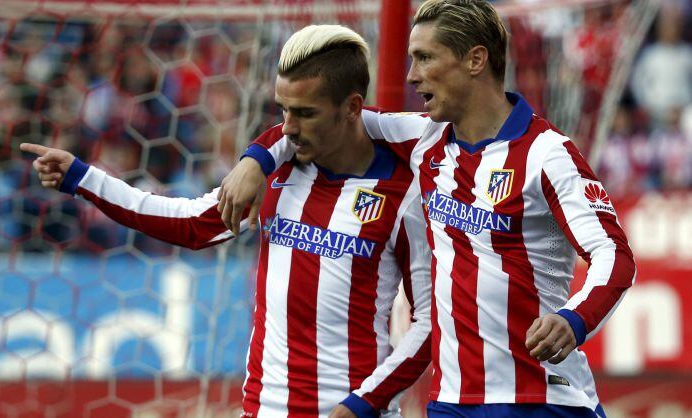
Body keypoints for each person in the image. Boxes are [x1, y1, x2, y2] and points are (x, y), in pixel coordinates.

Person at [217, 1, 636, 417]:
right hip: (451, 402)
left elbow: (614, 256)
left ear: (475, 59)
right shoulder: (424, 139)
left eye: (425, 58)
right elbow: (321, 118)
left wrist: (574, 319)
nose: (411, 76)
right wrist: (256, 159)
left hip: (540, 398)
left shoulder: (548, 154)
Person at [21, 25, 432, 418]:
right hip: (264, 408)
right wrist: (83, 178)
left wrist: (365, 402)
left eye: (306, 113)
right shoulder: (277, 172)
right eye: (283, 110)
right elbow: (189, 225)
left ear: (353, 108)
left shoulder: (404, 192)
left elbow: (428, 321)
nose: (288, 127)